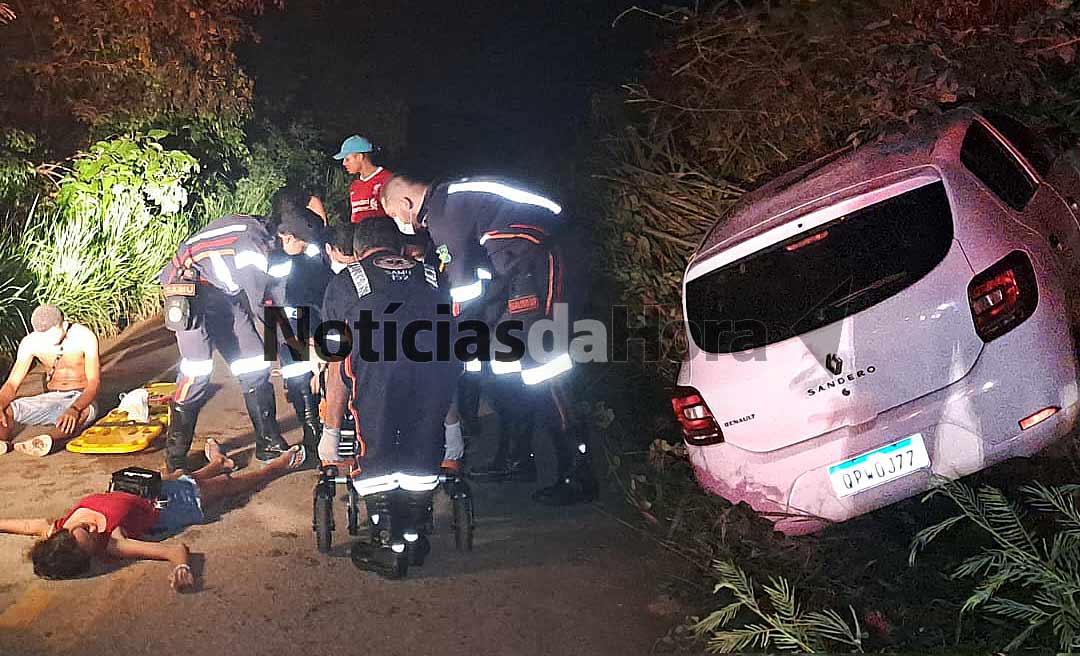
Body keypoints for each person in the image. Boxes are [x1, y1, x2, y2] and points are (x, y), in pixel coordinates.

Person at [380, 175, 595, 506]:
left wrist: (443, 332)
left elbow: (461, 288)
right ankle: (518, 458)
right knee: (505, 366)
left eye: (395, 213)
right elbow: (473, 279)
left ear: (406, 203)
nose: (399, 222)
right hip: (518, 269)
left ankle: (579, 471)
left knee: (544, 366)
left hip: (544, 257)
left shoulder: (444, 213)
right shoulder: (450, 204)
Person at [318, 217, 459, 575]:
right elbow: (450, 351)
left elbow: (336, 364)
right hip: (433, 371)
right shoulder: (433, 276)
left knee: (376, 446)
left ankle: (386, 540)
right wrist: (452, 423)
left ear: (359, 250)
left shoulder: (346, 281)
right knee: (424, 443)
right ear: (398, 247)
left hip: (375, 375)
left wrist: (331, 432)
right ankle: (412, 534)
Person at [0, 440, 304, 591]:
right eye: (91, 537)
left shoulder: (62, 528)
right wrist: (182, 568)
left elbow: (31, 525)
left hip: (146, 489)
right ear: (91, 554)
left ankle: (218, 463)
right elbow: (172, 550)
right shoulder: (113, 544)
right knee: (227, 488)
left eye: (82, 528)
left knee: (181, 475)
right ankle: (275, 468)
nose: (90, 526)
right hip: (170, 507)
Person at [159, 212, 291, 472]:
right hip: (187, 286)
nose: (304, 249)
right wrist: (292, 344)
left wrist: (289, 340)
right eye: (302, 243)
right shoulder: (251, 246)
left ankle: (269, 442)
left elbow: (275, 297)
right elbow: (259, 305)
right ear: (286, 236)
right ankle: (176, 456)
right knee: (197, 369)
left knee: (253, 359)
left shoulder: (273, 244)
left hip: (219, 291)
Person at [266, 203, 333, 464]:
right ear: (287, 237)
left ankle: (317, 431)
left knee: (317, 375)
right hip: (285, 316)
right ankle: (310, 430)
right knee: (295, 377)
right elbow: (274, 295)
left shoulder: (311, 240)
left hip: (312, 311)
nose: (305, 246)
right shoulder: (275, 256)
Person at [0, 305, 100, 456]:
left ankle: (48, 441)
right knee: (7, 410)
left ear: (63, 325)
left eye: (50, 335)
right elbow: (12, 384)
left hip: (81, 397)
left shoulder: (85, 337)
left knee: (82, 414)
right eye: (42, 336)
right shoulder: (31, 343)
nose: (46, 341)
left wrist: (75, 409)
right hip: (51, 398)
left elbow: (94, 382)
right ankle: (1, 441)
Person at [333, 135, 393, 223]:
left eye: (347, 159)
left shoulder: (388, 180)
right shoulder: (355, 186)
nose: (344, 163)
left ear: (359, 157)